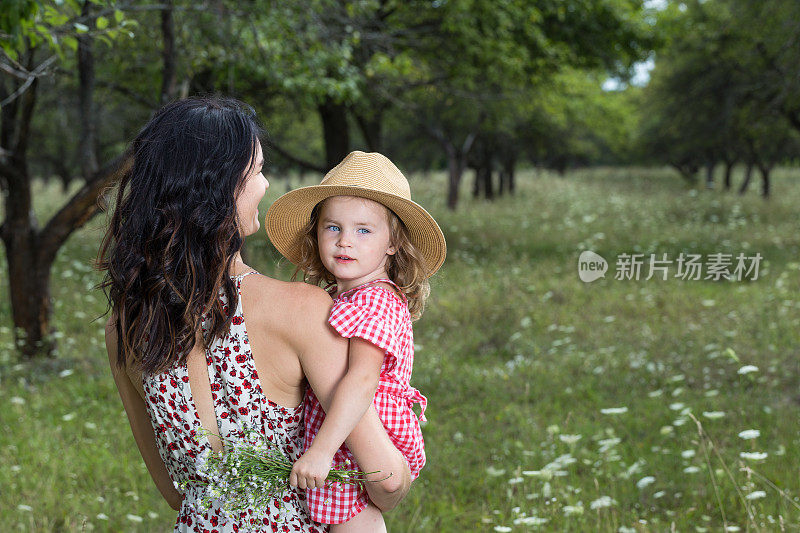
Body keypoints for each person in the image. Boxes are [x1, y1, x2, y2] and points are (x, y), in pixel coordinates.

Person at [98, 98, 410, 532]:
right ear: (222, 187)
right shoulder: (303, 310)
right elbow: (386, 480)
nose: (265, 185)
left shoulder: (125, 328)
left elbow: (173, 491)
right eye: (258, 170)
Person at [265, 151, 447, 532]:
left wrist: (321, 451)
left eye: (364, 230)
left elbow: (363, 380)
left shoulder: (376, 300)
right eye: (333, 228)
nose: (345, 241)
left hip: (360, 436)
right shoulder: (346, 295)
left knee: (355, 518)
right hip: (344, 430)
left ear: (393, 242)